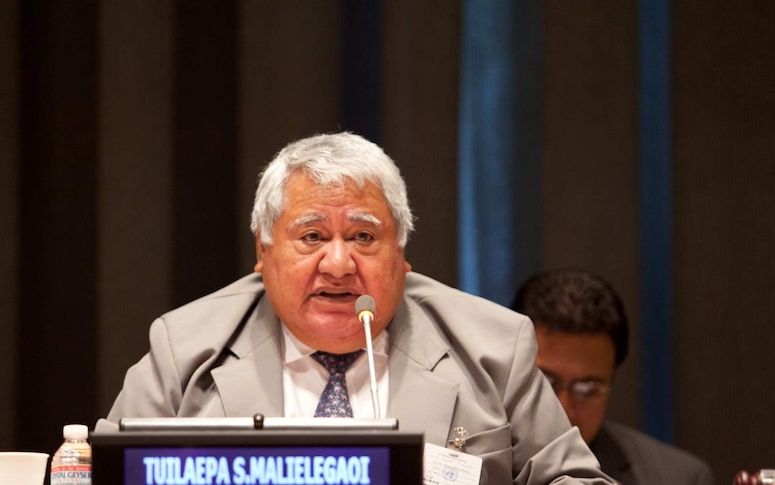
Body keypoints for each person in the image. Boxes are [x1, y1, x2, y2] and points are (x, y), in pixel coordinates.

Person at [99, 132, 612, 484]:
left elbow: (576, 478)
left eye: (364, 236)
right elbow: (96, 473)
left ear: (401, 253)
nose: (340, 264)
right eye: (313, 236)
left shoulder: (493, 345)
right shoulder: (184, 347)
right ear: (263, 250)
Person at [511, 269, 715, 485]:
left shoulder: (679, 478)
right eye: (546, 383)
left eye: (587, 389)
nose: (563, 408)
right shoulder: (474, 459)